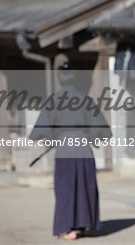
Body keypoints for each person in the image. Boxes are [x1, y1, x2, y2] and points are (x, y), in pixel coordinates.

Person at [29, 62, 112, 240]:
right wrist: (90, 136)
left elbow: (37, 132)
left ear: (59, 79)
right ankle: (86, 226)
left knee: (65, 188)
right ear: (73, 78)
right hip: (83, 146)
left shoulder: (53, 100)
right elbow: (104, 130)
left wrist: (53, 136)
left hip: (65, 146)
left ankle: (67, 229)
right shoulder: (85, 99)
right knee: (85, 185)